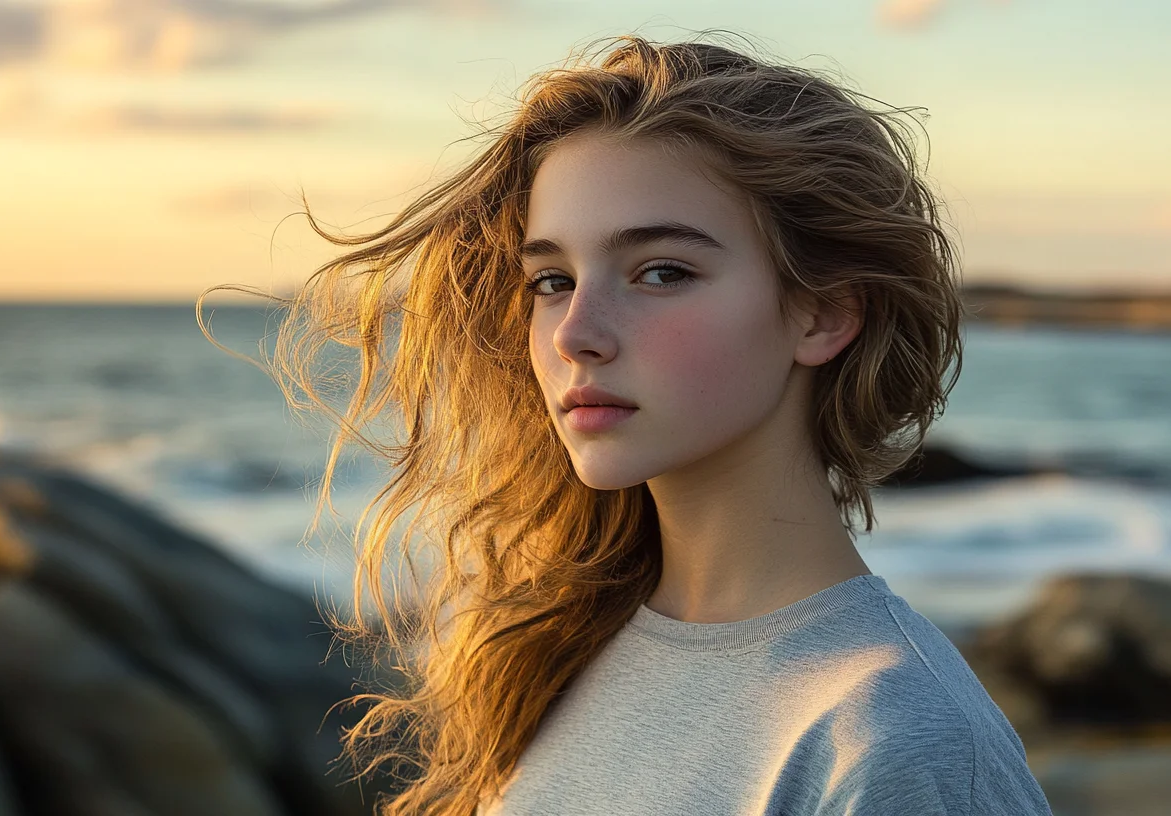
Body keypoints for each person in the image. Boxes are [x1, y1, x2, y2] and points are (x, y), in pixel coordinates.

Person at [202, 31, 1054, 816]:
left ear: (823, 313)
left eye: (661, 271)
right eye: (551, 280)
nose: (575, 332)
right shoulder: (557, 647)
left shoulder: (896, 743)